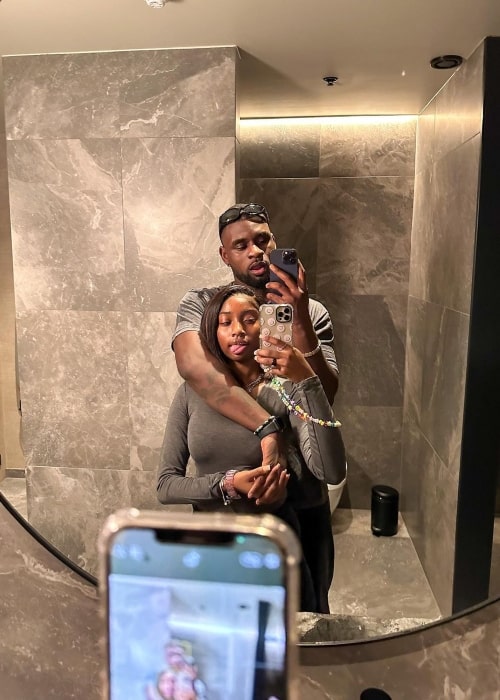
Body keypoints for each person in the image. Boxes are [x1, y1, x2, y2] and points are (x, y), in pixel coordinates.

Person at [158, 286, 346, 612]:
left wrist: (307, 379)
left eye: (249, 319)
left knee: (292, 636)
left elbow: (330, 470)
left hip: (275, 549)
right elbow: (165, 486)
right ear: (211, 331)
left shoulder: (285, 388)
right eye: (225, 322)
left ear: (265, 325)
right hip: (214, 548)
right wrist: (228, 484)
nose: (238, 331)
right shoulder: (192, 393)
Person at [172, 203, 339, 475]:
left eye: (263, 240)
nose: (256, 251)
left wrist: (300, 320)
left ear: (274, 241)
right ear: (225, 255)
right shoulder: (203, 305)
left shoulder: (312, 313)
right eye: (241, 246)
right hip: (223, 479)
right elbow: (194, 366)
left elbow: (325, 398)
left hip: (300, 481)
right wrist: (269, 428)